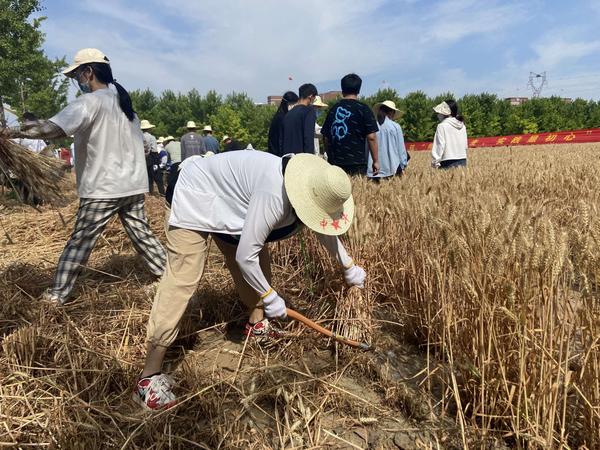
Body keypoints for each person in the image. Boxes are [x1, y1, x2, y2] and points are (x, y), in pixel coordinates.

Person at [133, 151, 367, 410]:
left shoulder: (310, 187)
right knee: (184, 277)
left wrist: (348, 266)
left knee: (259, 263)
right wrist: (270, 296)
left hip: (228, 203)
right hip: (194, 191)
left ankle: (256, 323)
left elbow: (322, 228)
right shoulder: (274, 196)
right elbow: (247, 256)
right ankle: (148, 378)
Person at [6, 48, 166, 304]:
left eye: (77, 75)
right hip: (132, 185)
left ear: (88, 72)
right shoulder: (126, 107)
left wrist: (11, 134)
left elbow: (53, 128)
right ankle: (167, 277)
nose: (77, 81)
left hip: (104, 187)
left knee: (80, 242)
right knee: (142, 234)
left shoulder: (90, 103)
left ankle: (57, 295)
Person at [321, 74, 380, 176]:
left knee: (337, 191)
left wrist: (330, 155)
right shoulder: (364, 109)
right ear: (358, 90)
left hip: (336, 162)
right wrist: (375, 161)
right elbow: (371, 137)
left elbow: (325, 137)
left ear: (342, 90)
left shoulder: (333, 109)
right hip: (357, 162)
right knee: (357, 190)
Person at [367, 100, 408, 180]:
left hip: (374, 170)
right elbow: (401, 149)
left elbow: (368, 148)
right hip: (392, 168)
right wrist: (403, 165)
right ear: (391, 112)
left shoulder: (372, 126)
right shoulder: (395, 127)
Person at [431, 100, 468, 169]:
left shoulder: (442, 126)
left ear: (445, 113)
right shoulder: (462, 125)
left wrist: (435, 162)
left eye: (440, 113)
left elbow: (439, 146)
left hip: (447, 162)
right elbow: (465, 145)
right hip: (463, 160)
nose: (438, 115)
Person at [282, 84, 318, 154]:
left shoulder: (288, 114)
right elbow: (308, 138)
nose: (314, 100)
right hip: (300, 159)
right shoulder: (309, 111)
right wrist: (310, 158)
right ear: (310, 96)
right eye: (314, 97)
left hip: (287, 158)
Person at [267, 91, 299, 156]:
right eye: (292, 104)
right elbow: (280, 140)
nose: (294, 107)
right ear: (287, 103)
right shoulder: (281, 118)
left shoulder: (282, 115)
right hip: (278, 155)